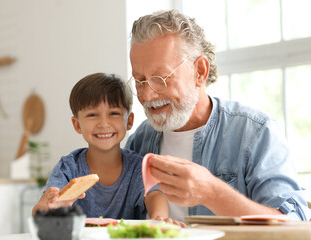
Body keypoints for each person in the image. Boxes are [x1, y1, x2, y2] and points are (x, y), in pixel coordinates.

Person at [125, 9, 310, 221]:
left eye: (160, 77)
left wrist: (212, 193)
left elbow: (292, 223)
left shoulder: (255, 132)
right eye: (140, 81)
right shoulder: (138, 141)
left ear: (200, 71)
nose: (147, 94)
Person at [32, 73, 176, 222]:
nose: (104, 124)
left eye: (114, 113)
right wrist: (49, 207)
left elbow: (154, 195)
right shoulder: (68, 167)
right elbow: (40, 210)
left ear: (129, 121)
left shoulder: (138, 168)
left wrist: (160, 218)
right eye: (92, 115)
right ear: (77, 125)